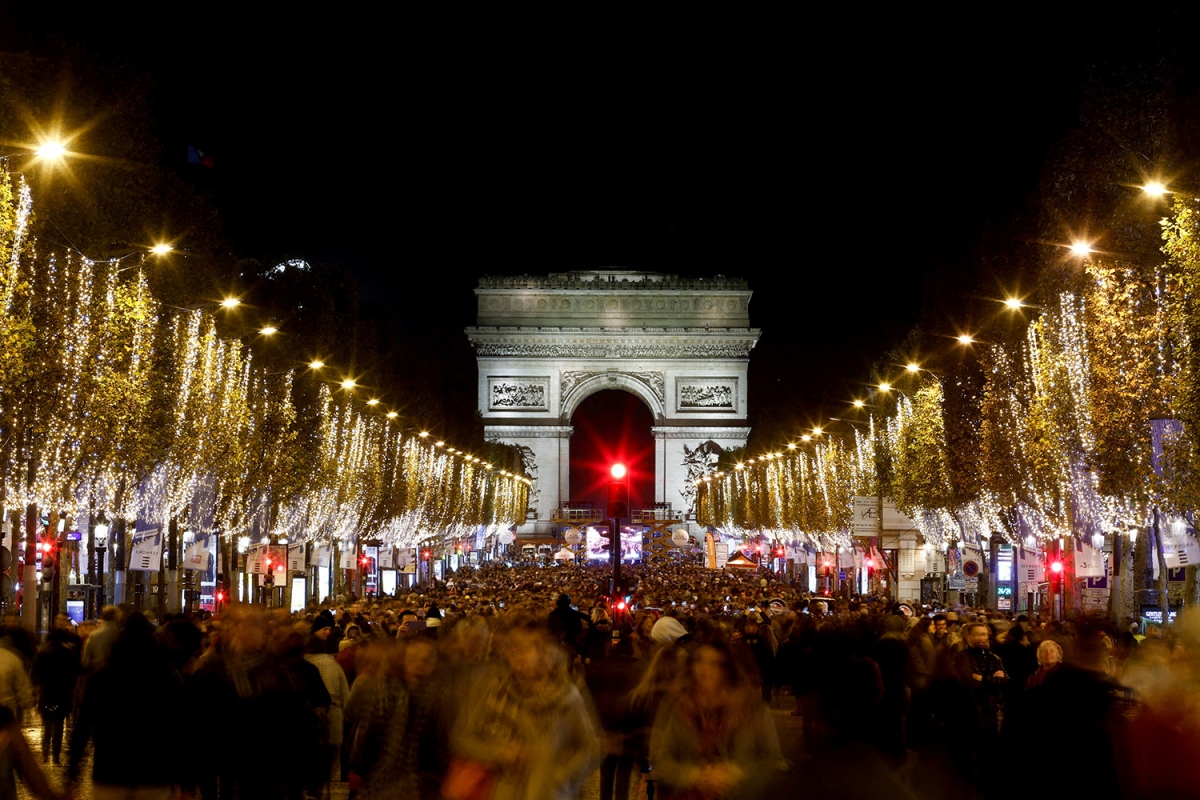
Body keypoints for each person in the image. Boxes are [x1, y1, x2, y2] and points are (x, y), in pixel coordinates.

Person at [451, 615, 602, 799]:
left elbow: (591, 747)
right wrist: (500, 752)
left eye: (524, 648)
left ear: (542, 650)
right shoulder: (494, 691)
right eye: (512, 647)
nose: (516, 654)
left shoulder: (566, 696)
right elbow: (463, 738)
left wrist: (560, 777)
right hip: (503, 792)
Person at [651, 641, 782, 799]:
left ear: (728, 670)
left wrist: (735, 774)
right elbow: (663, 761)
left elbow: (772, 759)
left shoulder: (753, 709)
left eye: (715, 663)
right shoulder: (680, 708)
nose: (704, 669)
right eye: (699, 660)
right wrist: (696, 776)